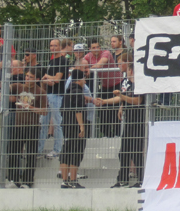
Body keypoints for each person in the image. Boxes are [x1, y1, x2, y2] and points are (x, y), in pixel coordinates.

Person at [98, 52, 146, 189]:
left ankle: (141, 179)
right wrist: (105, 101)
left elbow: (137, 101)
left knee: (136, 150)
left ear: (128, 65)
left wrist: (123, 98)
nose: (119, 66)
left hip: (138, 119)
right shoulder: (125, 81)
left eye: (120, 63)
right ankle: (122, 179)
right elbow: (121, 97)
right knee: (124, 150)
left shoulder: (138, 83)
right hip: (128, 119)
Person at [9, 70, 47, 188]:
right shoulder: (19, 86)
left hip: (32, 126)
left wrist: (30, 107)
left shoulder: (40, 92)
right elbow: (7, 87)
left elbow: (44, 111)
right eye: (26, 76)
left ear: (37, 79)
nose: (27, 78)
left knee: (31, 154)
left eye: (31, 77)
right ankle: (13, 179)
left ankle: (27, 181)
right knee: (13, 153)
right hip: (18, 126)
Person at [84, 40, 123, 137]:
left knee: (116, 110)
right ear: (89, 49)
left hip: (117, 84)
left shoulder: (106, 53)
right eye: (93, 47)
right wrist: (84, 68)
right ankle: (106, 134)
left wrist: (89, 68)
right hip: (105, 86)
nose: (96, 49)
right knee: (102, 109)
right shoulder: (88, 56)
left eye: (97, 47)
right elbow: (82, 63)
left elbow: (100, 64)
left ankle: (118, 134)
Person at [39, 38, 67, 159]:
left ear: (60, 47)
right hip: (48, 95)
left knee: (57, 123)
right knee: (43, 123)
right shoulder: (51, 61)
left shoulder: (62, 60)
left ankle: (57, 150)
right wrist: (47, 79)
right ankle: (38, 150)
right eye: (51, 46)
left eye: (55, 45)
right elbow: (48, 80)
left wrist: (47, 76)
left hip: (57, 95)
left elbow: (57, 79)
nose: (53, 48)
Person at [59, 69, 87, 188]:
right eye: (84, 78)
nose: (85, 81)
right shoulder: (77, 92)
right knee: (76, 152)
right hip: (74, 126)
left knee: (66, 151)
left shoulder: (68, 91)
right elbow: (78, 110)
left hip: (66, 125)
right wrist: (81, 126)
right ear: (80, 80)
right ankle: (73, 180)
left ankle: (65, 180)